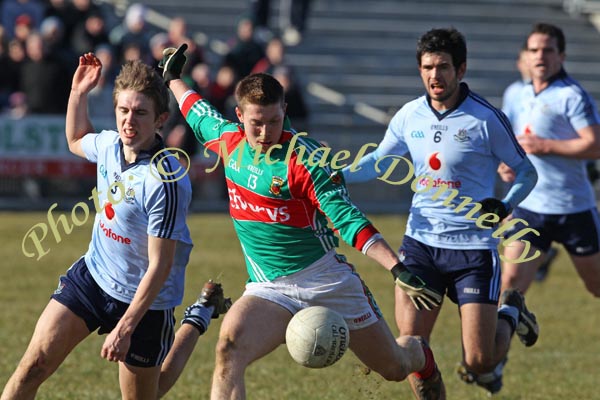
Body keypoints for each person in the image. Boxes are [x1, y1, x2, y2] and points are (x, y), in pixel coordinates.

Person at [159, 43, 446, 400]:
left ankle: (420, 354)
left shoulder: (304, 161)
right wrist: (172, 78)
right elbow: (196, 110)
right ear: (239, 116)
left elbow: (346, 218)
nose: (265, 133)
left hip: (328, 282)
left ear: (285, 110)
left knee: (394, 367)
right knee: (229, 348)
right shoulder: (229, 142)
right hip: (269, 288)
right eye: (256, 124)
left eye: (274, 121)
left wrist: (397, 269)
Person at [0, 53, 230, 400]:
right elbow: (77, 139)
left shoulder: (164, 181)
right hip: (93, 277)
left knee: (150, 393)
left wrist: (125, 327)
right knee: (31, 368)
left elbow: (160, 264)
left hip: (146, 302)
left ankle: (198, 316)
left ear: (160, 120)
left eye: (140, 113)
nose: (128, 121)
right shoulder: (110, 144)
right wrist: (78, 93)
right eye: (123, 111)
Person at [342, 28, 540, 397]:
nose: (436, 75)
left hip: (474, 252)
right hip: (421, 247)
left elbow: (527, 171)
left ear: (461, 69)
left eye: (444, 67)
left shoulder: (486, 119)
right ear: (420, 70)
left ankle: (511, 310)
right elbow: (379, 161)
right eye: (429, 67)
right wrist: (339, 175)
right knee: (412, 346)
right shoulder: (408, 115)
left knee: (480, 361)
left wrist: (506, 204)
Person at [498, 23, 600, 300]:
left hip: (573, 208)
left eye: (548, 50)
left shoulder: (572, 96)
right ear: (526, 56)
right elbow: (509, 138)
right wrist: (507, 161)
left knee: (596, 285)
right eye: (534, 50)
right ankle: (514, 321)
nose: (540, 56)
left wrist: (545, 145)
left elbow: (595, 145)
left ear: (561, 57)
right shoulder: (515, 93)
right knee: (510, 282)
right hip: (529, 206)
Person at [501, 41, 559, 283]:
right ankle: (539, 255)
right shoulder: (514, 92)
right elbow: (505, 126)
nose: (532, 62)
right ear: (520, 62)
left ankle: (541, 252)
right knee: (510, 220)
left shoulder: (556, 93)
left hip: (547, 170)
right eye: (528, 56)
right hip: (519, 165)